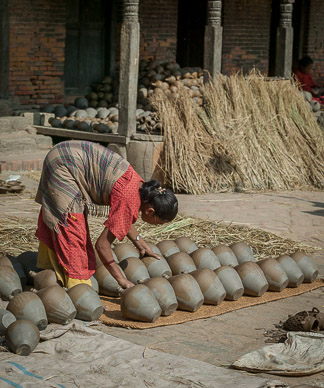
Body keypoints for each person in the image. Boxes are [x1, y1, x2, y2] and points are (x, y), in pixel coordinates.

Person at [35, 140, 178, 290]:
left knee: (65, 217)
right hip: (64, 164)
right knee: (72, 228)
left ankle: (47, 269)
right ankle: (78, 288)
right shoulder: (129, 199)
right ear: (150, 211)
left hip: (66, 153)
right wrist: (121, 280)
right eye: (158, 223)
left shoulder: (140, 188)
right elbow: (102, 245)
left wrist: (140, 243)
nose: (155, 225)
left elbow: (122, 219)